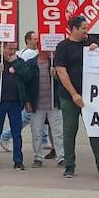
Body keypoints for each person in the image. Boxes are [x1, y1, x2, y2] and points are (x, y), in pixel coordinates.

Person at [54, 15, 99, 179]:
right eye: (83, 28)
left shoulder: (90, 42)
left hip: (91, 97)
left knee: (95, 130)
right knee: (69, 131)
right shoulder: (63, 47)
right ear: (74, 29)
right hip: (69, 96)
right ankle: (69, 166)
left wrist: (96, 49)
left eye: (87, 28)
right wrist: (74, 94)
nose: (87, 31)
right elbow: (61, 72)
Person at [0, 40, 36, 171]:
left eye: (14, 49)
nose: (12, 52)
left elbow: (27, 77)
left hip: (14, 101)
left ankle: (18, 160)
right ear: (2, 48)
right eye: (9, 49)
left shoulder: (19, 61)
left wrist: (16, 63)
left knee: (16, 131)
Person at [28, 37, 64, 168]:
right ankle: (37, 157)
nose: (49, 50)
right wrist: (27, 101)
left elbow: (63, 83)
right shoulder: (31, 64)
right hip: (37, 105)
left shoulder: (54, 64)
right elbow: (26, 84)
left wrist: (56, 76)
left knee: (58, 133)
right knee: (36, 133)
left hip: (53, 104)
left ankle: (61, 157)